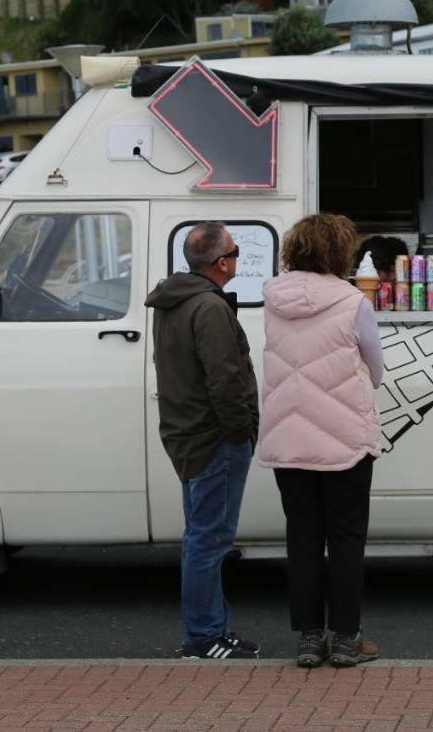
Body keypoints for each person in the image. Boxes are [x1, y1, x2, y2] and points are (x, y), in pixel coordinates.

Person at [258, 214, 385, 668]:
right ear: (339, 251)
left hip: (288, 438)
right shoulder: (354, 302)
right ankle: (347, 640)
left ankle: (310, 640)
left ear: (295, 250)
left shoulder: (273, 300)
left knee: (303, 538)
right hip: (344, 439)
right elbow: (376, 367)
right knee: (346, 539)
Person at [145, 222, 262, 660]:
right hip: (215, 440)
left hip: (187, 434)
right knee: (210, 541)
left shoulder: (172, 302)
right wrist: (241, 431)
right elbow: (225, 379)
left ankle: (211, 631)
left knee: (200, 537)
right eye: (234, 250)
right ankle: (204, 636)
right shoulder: (209, 309)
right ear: (221, 261)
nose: (237, 257)